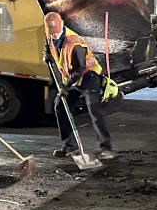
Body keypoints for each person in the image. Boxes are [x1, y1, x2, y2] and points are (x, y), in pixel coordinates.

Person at [45, 11, 116, 161]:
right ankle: (70, 146)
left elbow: (80, 68)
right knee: (60, 106)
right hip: (72, 79)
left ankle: (105, 149)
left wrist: (65, 85)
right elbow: (49, 46)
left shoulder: (74, 43)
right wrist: (46, 54)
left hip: (89, 76)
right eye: (52, 34)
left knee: (94, 111)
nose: (55, 36)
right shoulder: (50, 35)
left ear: (62, 25)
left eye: (57, 33)